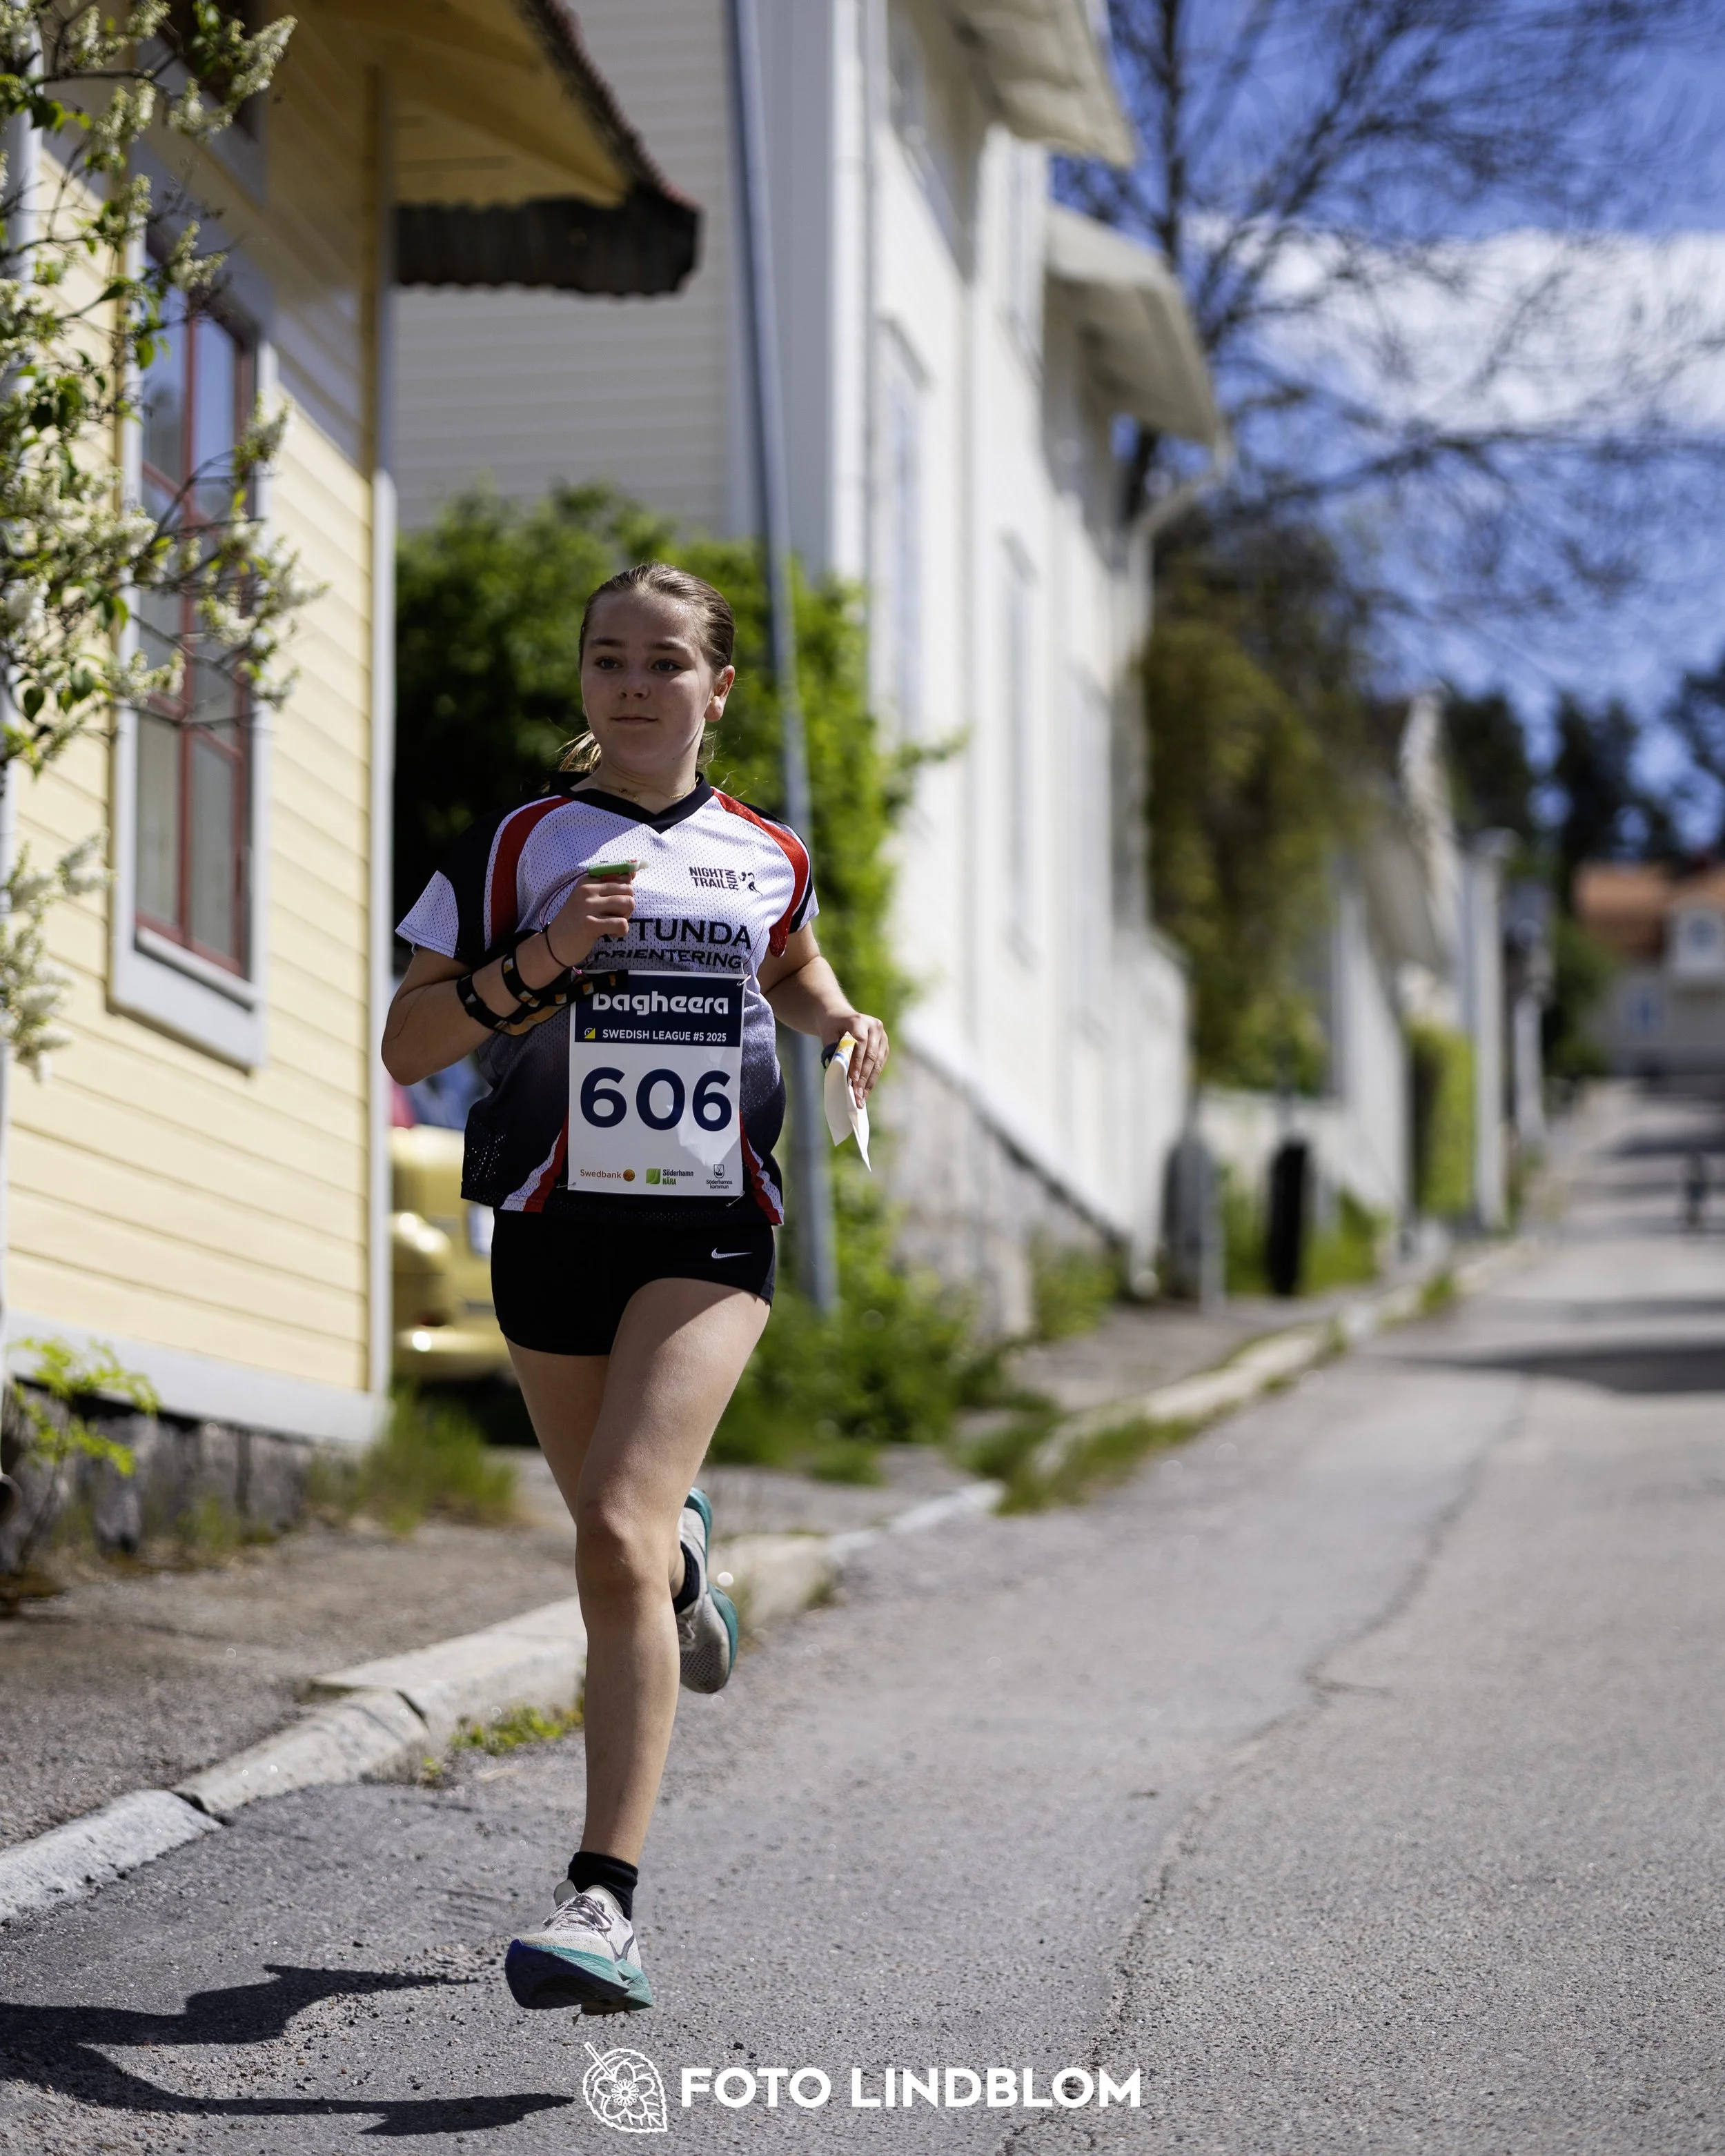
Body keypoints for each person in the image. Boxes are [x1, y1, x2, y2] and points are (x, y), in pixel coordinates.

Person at [382, 562, 887, 2015]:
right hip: (549, 1221)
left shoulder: (764, 852)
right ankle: (683, 1565)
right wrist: (543, 957)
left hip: (711, 1225)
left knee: (608, 1518)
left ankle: (600, 1901)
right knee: (626, 1548)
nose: (630, 683)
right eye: (606, 657)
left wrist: (844, 1018)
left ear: (714, 688)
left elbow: (785, 961)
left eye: (662, 661)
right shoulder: (513, 848)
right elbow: (407, 1045)